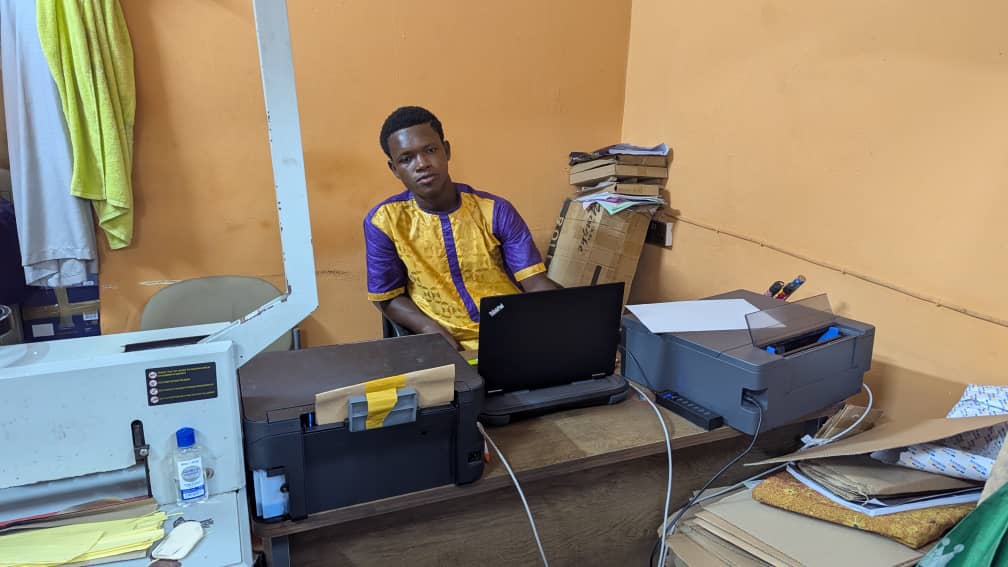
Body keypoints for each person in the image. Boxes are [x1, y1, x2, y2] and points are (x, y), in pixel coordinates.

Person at [364, 106, 558, 351]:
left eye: (430, 150)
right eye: (407, 158)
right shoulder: (384, 221)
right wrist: (427, 328)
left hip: (511, 334)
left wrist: (563, 316)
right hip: (444, 342)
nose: (422, 164)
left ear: (446, 151)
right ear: (394, 169)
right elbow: (388, 297)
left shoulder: (494, 210)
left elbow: (534, 282)